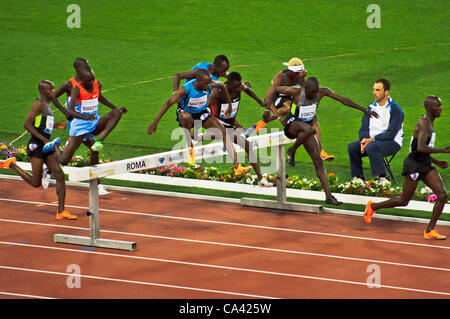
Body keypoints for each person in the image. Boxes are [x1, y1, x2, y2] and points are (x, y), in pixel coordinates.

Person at [265, 77, 378, 206]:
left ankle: (328, 196)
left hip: (306, 131)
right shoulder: (296, 92)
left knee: (318, 162)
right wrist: (269, 110)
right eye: (310, 94)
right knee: (310, 129)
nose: (313, 96)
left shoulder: (322, 92)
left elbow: (343, 100)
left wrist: (364, 110)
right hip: (292, 126)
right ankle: (292, 150)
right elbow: (275, 89)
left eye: (314, 94)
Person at [364, 96, 449, 239]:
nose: (440, 108)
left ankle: (429, 230)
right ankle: (372, 207)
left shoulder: (429, 123)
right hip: (414, 165)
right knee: (404, 200)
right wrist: (443, 150)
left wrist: (436, 161)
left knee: (442, 195)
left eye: (440, 105)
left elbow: (417, 148)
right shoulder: (424, 123)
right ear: (429, 108)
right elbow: (421, 148)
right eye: (437, 106)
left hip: (425, 164)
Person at [147, 69, 251, 176]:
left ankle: (237, 166)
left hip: (202, 112)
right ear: (198, 81)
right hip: (187, 113)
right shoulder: (185, 89)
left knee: (224, 133)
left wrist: (229, 105)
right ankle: (189, 146)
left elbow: (222, 86)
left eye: (210, 82)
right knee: (185, 117)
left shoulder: (209, 84)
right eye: (206, 83)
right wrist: (155, 122)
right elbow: (168, 103)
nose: (209, 85)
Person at [0, 81, 77, 220]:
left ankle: (61, 211)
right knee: (36, 183)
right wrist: (43, 140)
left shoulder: (48, 105)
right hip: (36, 144)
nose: (53, 91)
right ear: (43, 92)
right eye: (50, 90)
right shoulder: (38, 104)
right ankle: (12, 164)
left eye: (53, 89)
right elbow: (27, 124)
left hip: (46, 145)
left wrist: (56, 125)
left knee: (59, 175)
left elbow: (41, 124)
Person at [246, 57, 334, 161]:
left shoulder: (301, 75)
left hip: (292, 97)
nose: (299, 75)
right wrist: (277, 116)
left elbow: (304, 91)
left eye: (300, 72)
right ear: (289, 71)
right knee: (287, 107)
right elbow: (267, 99)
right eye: (296, 73)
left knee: (313, 117)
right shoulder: (280, 77)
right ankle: (262, 123)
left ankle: (320, 151)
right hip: (277, 97)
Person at [48, 66, 128, 167]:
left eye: (93, 79)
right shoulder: (76, 89)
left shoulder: (96, 84)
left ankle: (99, 145)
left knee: (117, 113)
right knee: (64, 161)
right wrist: (82, 117)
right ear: (82, 80)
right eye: (89, 80)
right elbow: (70, 110)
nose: (92, 82)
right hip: (79, 126)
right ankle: (55, 145)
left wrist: (116, 108)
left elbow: (99, 96)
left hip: (93, 123)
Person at [53, 57, 109, 195]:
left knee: (93, 150)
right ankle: (96, 184)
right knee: (91, 149)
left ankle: (95, 183)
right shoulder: (69, 84)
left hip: (88, 122)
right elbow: (53, 97)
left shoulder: (90, 81)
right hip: (77, 124)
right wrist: (65, 111)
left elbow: (96, 97)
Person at [208, 71, 272, 187]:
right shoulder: (218, 92)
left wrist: (259, 101)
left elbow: (247, 90)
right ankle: (237, 166)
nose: (239, 88)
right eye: (237, 86)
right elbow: (207, 105)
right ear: (229, 83)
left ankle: (260, 179)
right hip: (218, 123)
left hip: (230, 124)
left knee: (247, 145)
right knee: (223, 136)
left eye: (240, 86)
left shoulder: (239, 88)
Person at [347, 78, 404, 184]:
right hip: (372, 142)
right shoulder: (371, 107)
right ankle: (359, 178)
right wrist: (363, 140)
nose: (374, 93)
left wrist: (371, 140)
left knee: (372, 147)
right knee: (352, 147)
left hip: (392, 142)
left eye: (378, 90)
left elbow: (391, 133)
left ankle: (383, 178)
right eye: (374, 90)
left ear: (386, 92)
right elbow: (363, 128)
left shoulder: (395, 109)